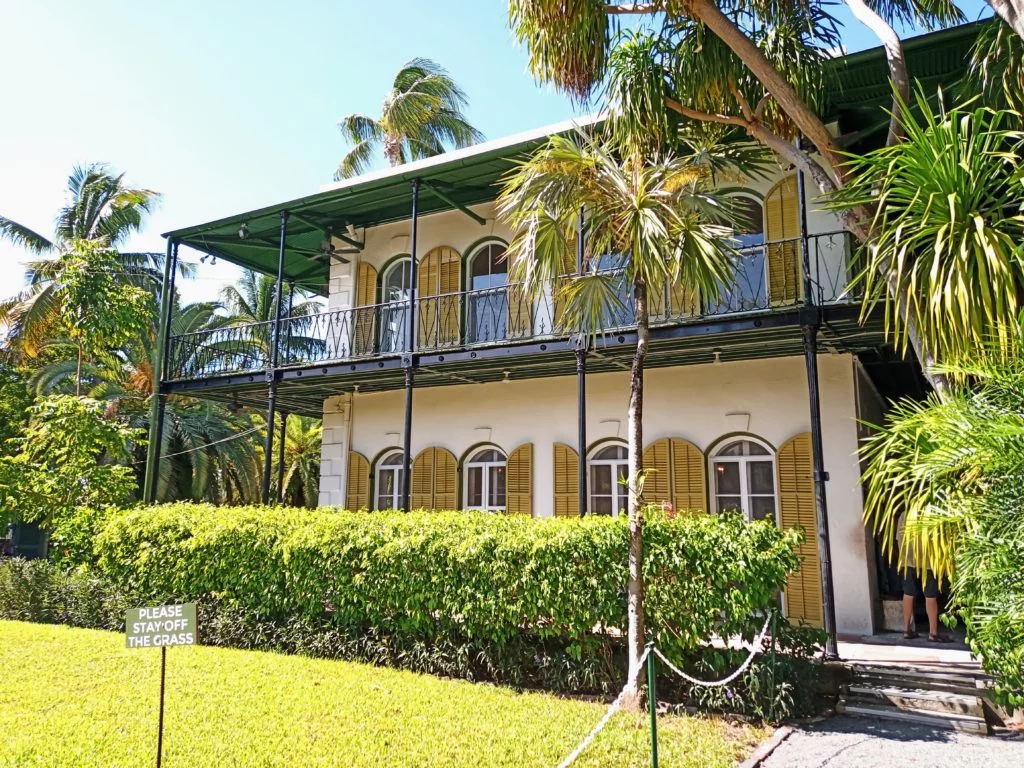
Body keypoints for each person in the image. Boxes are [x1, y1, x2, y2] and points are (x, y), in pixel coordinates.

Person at [896, 514, 950, 642]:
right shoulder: (933, 512)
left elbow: (898, 538)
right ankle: (933, 633)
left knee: (908, 593)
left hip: (907, 560)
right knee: (930, 595)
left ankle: (906, 630)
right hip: (929, 561)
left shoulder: (904, 515)